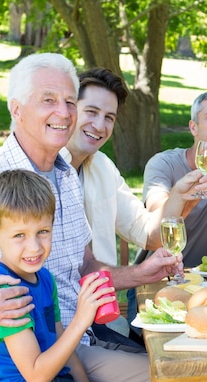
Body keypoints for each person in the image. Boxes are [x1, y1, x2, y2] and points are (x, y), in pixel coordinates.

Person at [0, 52, 179, 382]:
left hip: (75, 339)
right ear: (16, 109)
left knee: (177, 365)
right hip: (20, 363)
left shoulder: (66, 176)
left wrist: (142, 273)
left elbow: (85, 264)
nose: (64, 112)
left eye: (70, 101)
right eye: (48, 100)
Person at [0, 169, 111, 382]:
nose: (34, 247)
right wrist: (80, 320)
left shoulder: (44, 279)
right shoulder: (4, 292)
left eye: (43, 231)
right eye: (19, 235)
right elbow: (35, 376)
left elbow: (65, 351)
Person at [60, 67, 162, 266]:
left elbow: (146, 233)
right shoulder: (39, 171)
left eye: (109, 117)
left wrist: (183, 196)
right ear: (70, 109)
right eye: (91, 112)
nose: (99, 126)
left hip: (103, 294)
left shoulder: (104, 167)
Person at [140, 88, 207, 267]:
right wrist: (193, 193)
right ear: (193, 127)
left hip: (206, 276)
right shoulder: (162, 164)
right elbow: (158, 222)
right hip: (156, 278)